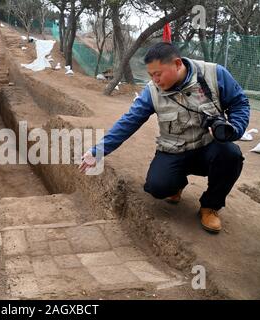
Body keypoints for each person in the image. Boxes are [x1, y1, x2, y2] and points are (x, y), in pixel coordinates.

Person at [79, 42, 250, 234]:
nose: (155, 80)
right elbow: (129, 121)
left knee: (231, 155)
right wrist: (98, 151)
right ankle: (175, 185)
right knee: (157, 187)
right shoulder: (152, 91)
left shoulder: (214, 74)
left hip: (208, 148)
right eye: (151, 75)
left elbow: (239, 103)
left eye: (158, 74)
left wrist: (234, 128)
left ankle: (210, 206)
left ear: (177, 64)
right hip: (174, 151)